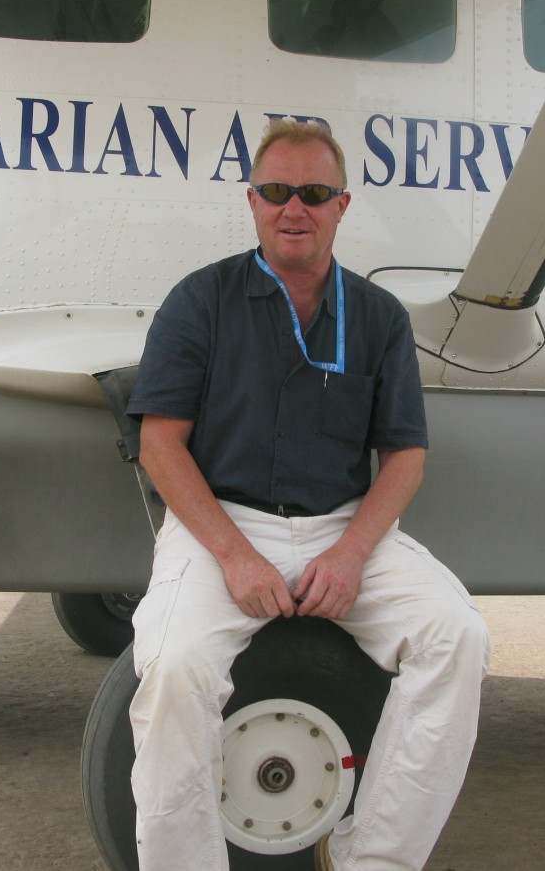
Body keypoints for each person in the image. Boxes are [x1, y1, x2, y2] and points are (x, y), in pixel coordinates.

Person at [125, 118, 490, 871]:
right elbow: (160, 444)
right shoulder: (200, 300)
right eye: (277, 191)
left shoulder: (380, 317)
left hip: (340, 528)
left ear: (341, 206)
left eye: (314, 193)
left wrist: (353, 554)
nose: (295, 208)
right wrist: (233, 557)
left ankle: (372, 859)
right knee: (173, 666)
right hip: (219, 526)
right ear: (252, 202)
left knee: (456, 637)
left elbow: (404, 456)